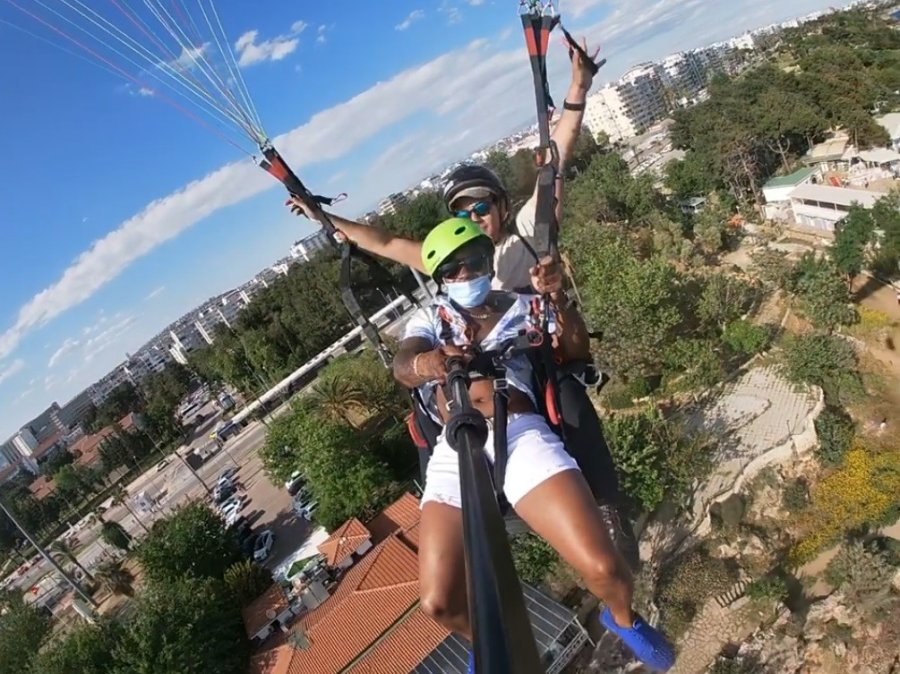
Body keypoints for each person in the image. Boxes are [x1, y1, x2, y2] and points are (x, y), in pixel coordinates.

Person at [287, 36, 640, 568]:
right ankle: (465, 524)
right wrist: (323, 218)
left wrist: (578, 88)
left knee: (570, 401)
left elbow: (558, 160)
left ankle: (608, 511)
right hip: (477, 366)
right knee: (430, 424)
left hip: (534, 353)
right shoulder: (448, 259)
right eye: (462, 213)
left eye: (481, 208)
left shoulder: (525, 237)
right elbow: (384, 241)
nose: (475, 219)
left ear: (499, 206)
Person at [394, 218, 675, 673]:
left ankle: (622, 617)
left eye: (473, 262)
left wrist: (558, 299)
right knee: (438, 601)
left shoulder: (525, 307)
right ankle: (489, 642)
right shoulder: (431, 320)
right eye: (452, 270)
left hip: (518, 430)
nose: (465, 275)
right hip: (456, 445)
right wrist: (428, 363)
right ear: (440, 279)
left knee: (605, 570)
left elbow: (576, 351)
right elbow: (404, 364)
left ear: (488, 260)